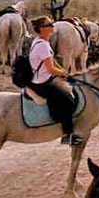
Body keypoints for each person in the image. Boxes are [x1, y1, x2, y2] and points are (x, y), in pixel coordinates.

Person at [27, 16, 83, 146]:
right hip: (42, 83)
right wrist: (63, 73)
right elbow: (50, 68)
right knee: (68, 101)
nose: (53, 26)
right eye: (49, 25)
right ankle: (67, 135)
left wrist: (64, 72)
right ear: (42, 29)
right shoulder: (43, 46)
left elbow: (52, 62)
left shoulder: (40, 41)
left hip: (41, 78)